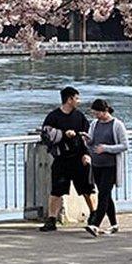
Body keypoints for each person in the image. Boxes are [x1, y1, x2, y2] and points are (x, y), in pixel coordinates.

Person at [38, 85, 92, 231]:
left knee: (87, 189)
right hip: (62, 159)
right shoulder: (53, 116)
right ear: (69, 99)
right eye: (76, 98)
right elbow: (45, 135)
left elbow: (88, 137)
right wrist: (63, 134)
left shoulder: (80, 116)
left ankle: (94, 215)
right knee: (56, 190)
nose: (78, 101)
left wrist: (87, 153)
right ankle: (51, 220)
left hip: (79, 158)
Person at [84, 99, 129, 236]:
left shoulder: (117, 125)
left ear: (105, 111)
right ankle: (114, 224)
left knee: (103, 194)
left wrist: (106, 148)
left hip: (110, 166)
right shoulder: (94, 124)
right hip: (97, 165)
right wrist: (87, 140)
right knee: (106, 195)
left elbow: (124, 145)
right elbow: (92, 142)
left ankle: (95, 225)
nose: (95, 116)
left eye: (97, 113)